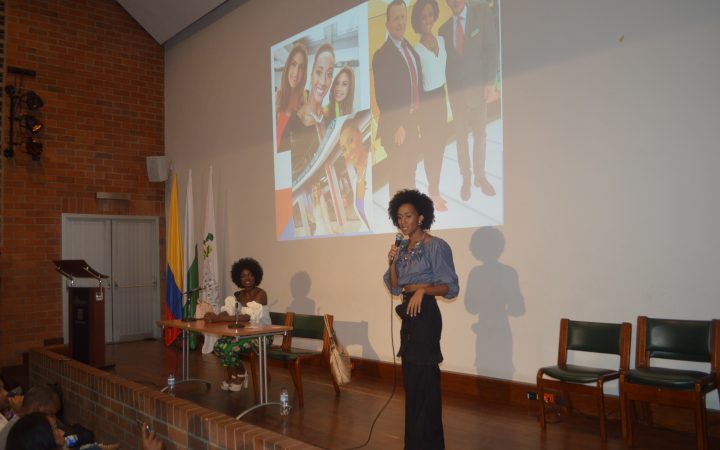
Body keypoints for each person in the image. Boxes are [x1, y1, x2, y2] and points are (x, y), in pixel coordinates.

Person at [383, 189, 459, 450]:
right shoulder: (402, 249)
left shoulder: (436, 246)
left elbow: (450, 286)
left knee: (425, 380)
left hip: (425, 312)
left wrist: (423, 290)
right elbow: (395, 287)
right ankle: (413, 444)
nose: (403, 222)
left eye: (409, 216)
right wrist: (392, 262)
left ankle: (431, 445)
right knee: (412, 382)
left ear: (421, 217)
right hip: (408, 312)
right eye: (400, 217)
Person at [439, 0, 499, 200]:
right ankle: (466, 178)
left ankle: (480, 176)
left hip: (478, 90)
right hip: (457, 96)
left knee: (480, 135)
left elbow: (491, 48)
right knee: (461, 139)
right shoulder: (444, 29)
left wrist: (490, 82)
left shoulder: (480, 13)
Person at [372, 0, 423, 196]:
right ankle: (399, 221)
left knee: (410, 171)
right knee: (399, 176)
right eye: (395, 18)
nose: (400, 22)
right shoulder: (381, 55)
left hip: (411, 122)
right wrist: (399, 124)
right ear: (387, 24)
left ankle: (410, 216)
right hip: (396, 127)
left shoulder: (408, 48)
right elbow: (383, 97)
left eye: (403, 17)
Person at [206, 258, 270, 392]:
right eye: (243, 276)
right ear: (238, 279)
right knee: (218, 346)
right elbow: (227, 312)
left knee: (229, 347)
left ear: (256, 276)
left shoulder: (261, 294)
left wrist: (217, 320)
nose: (247, 278)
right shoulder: (238, 295)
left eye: (250, 275)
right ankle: (235, 374)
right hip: (244, 335)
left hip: (262, 336)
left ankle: (241, 374)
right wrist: (213, 316)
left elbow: (247, 317)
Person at [278, 43, 335, 182]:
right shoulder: (288, 115)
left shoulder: (328, 122)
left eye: (329, 74)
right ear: (312, 74)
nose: (323, 81)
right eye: (319, 72)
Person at [411, 0, 449, 212]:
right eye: (422, 16)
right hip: (426, 104)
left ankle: (435, 187)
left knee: (441, 147)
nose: (427, 19)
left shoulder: (442, 41)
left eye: (430, 15)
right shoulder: (415, 51)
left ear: (435, 15)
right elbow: (416, 85)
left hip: (441, 99)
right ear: (417, 21)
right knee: (430, 148)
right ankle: (433, 193)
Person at [0, 386, 60, 450]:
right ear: (38, 409)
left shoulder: (20, 427)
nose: (54, 420)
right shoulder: (21, 434)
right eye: (51, 414)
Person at [338, 118, 371, 230]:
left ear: (360, 135)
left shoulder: (374, 162)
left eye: (350, 140)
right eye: (344, 149)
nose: (349, 151)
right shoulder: (355, 180)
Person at [275, 43, 308, 148]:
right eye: (293, 64)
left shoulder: (305, 102)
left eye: (301, 67)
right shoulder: (277, 97)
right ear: (288, 65)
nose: (296, 73)